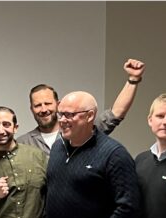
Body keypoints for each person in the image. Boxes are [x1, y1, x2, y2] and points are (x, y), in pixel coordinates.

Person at [18, 58, 146, 155]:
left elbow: (115, 114)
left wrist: (133, 79)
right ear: (31, 109)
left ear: (58, 105)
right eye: (37, 105)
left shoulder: (82, 130)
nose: (43, 109)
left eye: (47, 103)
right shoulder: (23, 143)